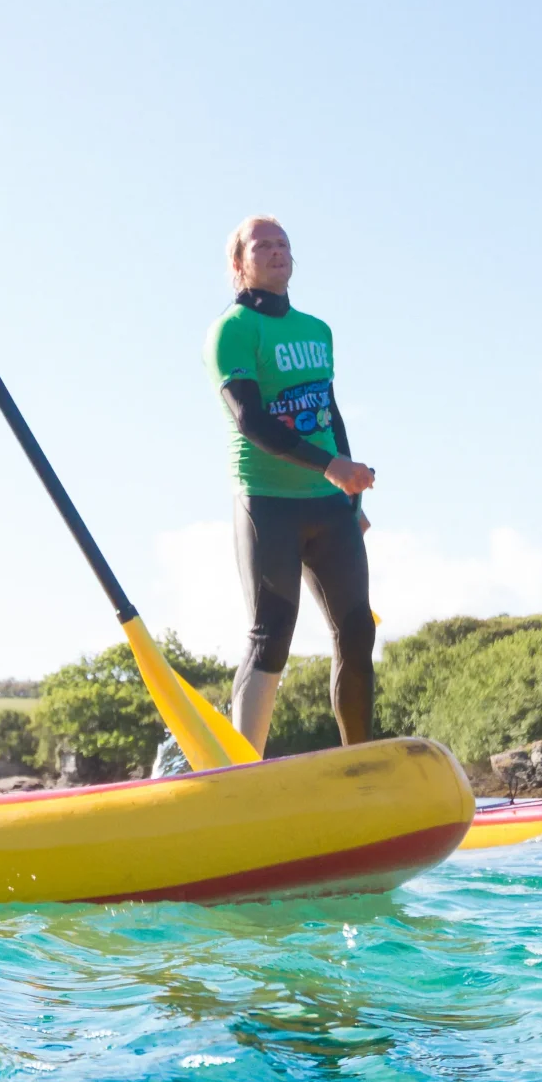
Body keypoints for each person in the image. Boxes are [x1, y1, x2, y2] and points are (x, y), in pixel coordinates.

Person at [206, 216, 377, 754]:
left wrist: (350, 489)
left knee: (357, 634)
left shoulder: (317, 330)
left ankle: (359, 767)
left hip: (330, 507)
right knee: (271, 634)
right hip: (268, 504)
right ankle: (241, 775)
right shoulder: (232, 329)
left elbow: (328, 412)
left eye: (283, 244)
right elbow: (249, 419)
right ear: (239, 264)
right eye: (262, 245)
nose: (276, 251)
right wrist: (329, 467)